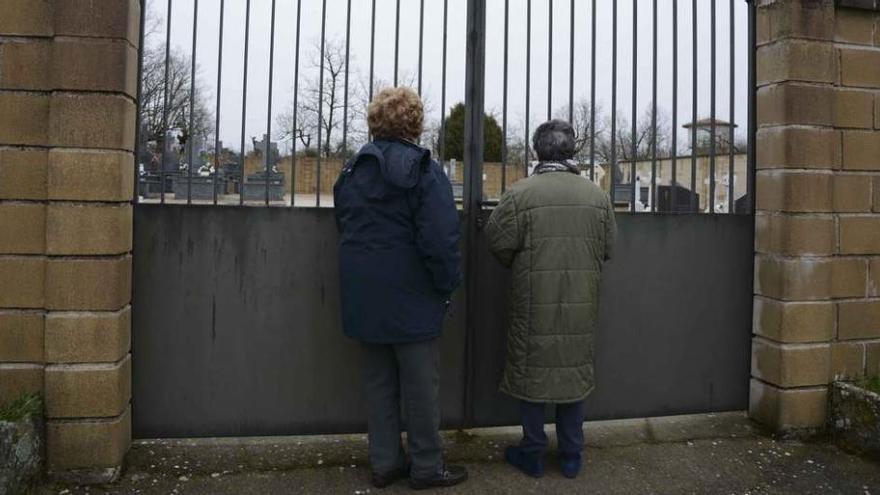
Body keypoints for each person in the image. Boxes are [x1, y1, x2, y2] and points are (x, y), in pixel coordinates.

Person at [333, 87, 467, 490]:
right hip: (412, 296)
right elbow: (441, 240)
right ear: (414, 123)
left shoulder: (352, 171)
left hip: (363, 295)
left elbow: (345, 225)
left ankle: (385, 463)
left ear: (375, 122)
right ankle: (426, 465)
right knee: (421, 387)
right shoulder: (425, 171)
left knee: (378, 384)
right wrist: (446, 286)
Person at [487, 119, 617, 479]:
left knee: (533, 374)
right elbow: (609, 248)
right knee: (572, 374)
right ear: (572, 150)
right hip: (580, 302)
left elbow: (496, 240)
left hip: (533, 302)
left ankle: (532, 453)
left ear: (536, 150)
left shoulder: (520, 194)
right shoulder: (596, 197)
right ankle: (572, 455)